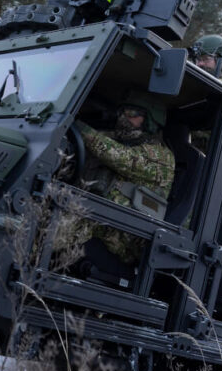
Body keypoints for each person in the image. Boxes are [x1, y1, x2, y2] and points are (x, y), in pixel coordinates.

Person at [73, 105, 174, 263]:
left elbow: (119, 157)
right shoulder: (125, 140)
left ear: (150, 121)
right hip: (97, 217)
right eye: (122, 112)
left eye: (132, 113)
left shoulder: (162, 156)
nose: (123, 118)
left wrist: (76, 124)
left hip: (121, 237)